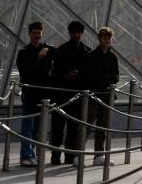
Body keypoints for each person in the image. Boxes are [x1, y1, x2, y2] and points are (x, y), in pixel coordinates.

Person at [50, 21, 93, 163]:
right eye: (74, 32)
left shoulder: (63, 50)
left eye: (78, 32)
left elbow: (55, 72)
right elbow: (55, 72)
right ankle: (59, 155)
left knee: (69, 127)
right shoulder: (86, 51)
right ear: (70, 33)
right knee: (61, 127)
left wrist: (70, 75)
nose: (76, 35)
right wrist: (69, 75)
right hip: (69, 94)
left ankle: (62, 155)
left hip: (68, 94)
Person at [14, 22, 54, 167]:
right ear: (29, 33)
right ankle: (26, 155)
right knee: (27, 127)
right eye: (34, 33)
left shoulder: (47, 50)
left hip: (42, 94)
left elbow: (59, 56)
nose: (37, 35)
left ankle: (32, 154)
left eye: (39, 33)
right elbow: (25, 73)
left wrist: (48, 49)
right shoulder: (23, 52)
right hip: (30, 93)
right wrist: (38, 57)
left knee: (37, 128)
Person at [85, 26, 121, 164]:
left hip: (106, 95)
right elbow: (88, 76)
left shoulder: (112, 57)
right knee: (87, 124)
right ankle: (78, 153)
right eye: (104, 38)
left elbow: (116, 76)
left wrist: (110, 80)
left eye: (108, 38)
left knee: (103, 126)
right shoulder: (91, 56)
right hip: (95, 94)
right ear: (99, 39)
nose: (107, 40)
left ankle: (99, 154)